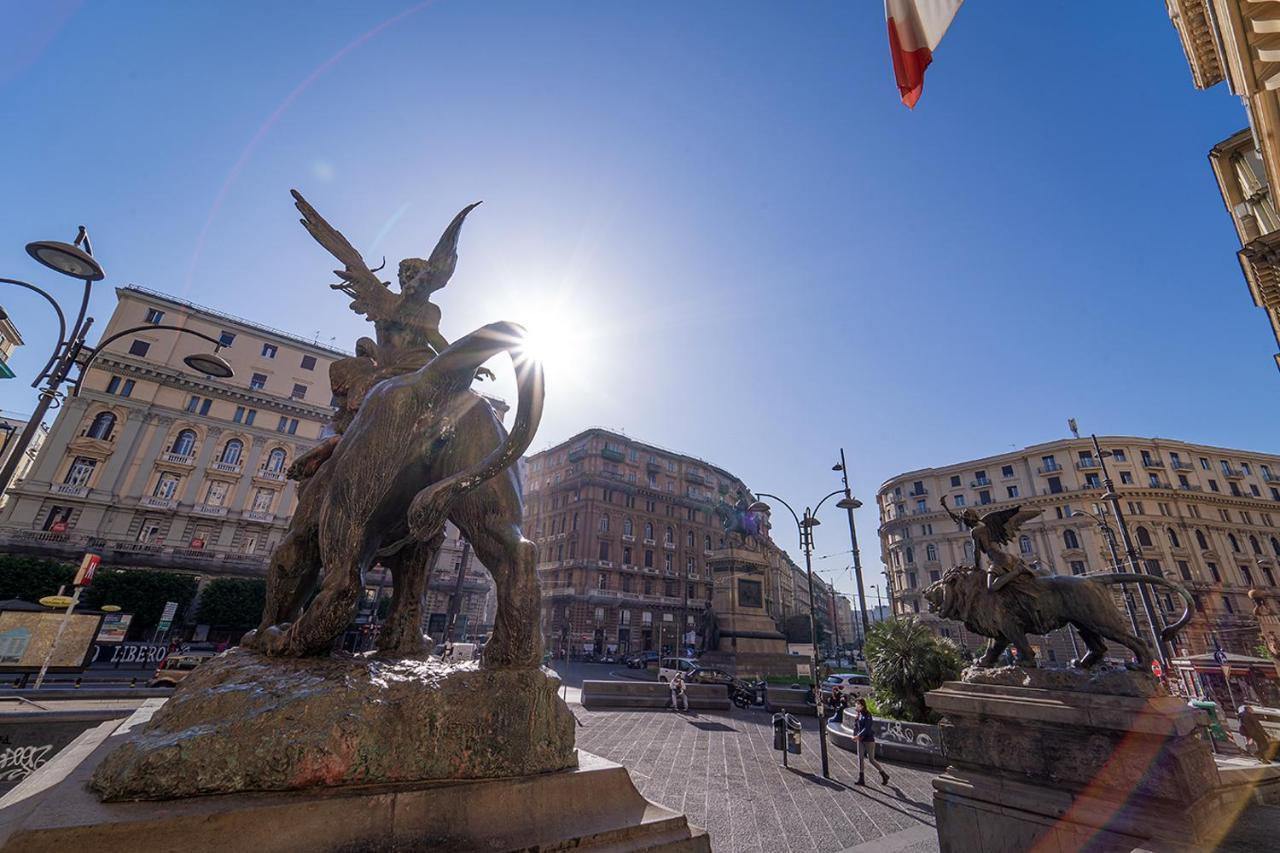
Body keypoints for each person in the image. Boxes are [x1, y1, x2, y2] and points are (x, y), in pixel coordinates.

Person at [851, 698, 890, 786]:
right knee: (860, 758)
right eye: (856, 704)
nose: (856, 705)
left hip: (868, 740)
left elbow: (867, 728)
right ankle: (861, 778)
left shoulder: (867, 715)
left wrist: (858, 735)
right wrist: (854, 735)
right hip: (860, 740)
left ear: (862, 705)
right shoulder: (858, 714)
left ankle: (884, 774)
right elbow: (855, 727)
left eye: (857, 704)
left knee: (871, 759)